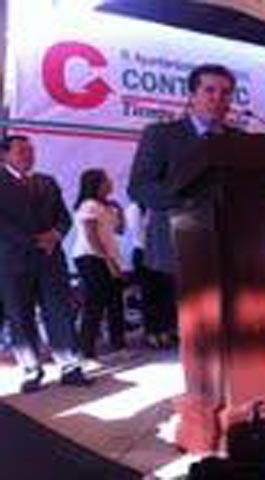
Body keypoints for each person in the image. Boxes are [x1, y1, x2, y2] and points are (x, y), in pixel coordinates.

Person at [127, 64, 240, 345]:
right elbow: (139, 187)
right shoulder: (162, 135)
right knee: (190, 334)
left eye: (225, 93)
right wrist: (191, 204)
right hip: (178, 243)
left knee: (223, 331)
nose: (218, 98)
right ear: (192, 96)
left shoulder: (238, 140)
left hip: (230, 246)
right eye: (210, 90)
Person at [0, 135, 91, 392]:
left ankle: (71, 367)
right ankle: (31, 370)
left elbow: (64, 217)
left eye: (31, 150)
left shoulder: (47, 182)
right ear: (4, 155)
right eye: (21, 151)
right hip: (14, 262)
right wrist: (34, 241)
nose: (28, 155)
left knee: (60, 311)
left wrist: (56, 235)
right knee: (21, 315)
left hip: (51, 260)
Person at [71, 168, 127, 359]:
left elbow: (120, 231)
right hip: (91, 257)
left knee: (115, 301)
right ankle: (86, 351)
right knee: (95, 304)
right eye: (106, 180)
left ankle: (119, 345)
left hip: (108, 256)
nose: (110, 183)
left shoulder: (107, 206)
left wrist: (120, 211)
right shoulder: (89, 205)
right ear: (96, 184)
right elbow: (91, 236)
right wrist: (108, 261)